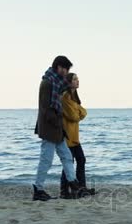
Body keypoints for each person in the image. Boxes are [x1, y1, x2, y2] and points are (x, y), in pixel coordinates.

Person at [32, 56, 89, 201]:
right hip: (50, 129)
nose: (66, 72)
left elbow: (66, 86)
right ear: (59, 67)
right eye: (65, 69)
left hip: (57, 130)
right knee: (46, 160)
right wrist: (57, 123)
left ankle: (73, 183)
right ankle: (38, 190)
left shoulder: (56, 82)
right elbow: (46, 109)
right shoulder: (47, 83)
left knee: (67, 157)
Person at [60, 73, 95, 197]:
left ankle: (81, 188)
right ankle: (64, 191)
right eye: (75, 79)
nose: (77, 81)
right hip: (67, 136)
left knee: (80, 160)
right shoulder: (65, 97)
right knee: (69, 162)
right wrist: (79, 111)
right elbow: (74, 116)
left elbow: (83, 112)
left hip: (74, 137)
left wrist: (79, 111)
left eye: (77, 79)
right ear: (69, 82)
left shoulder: (73, 97)